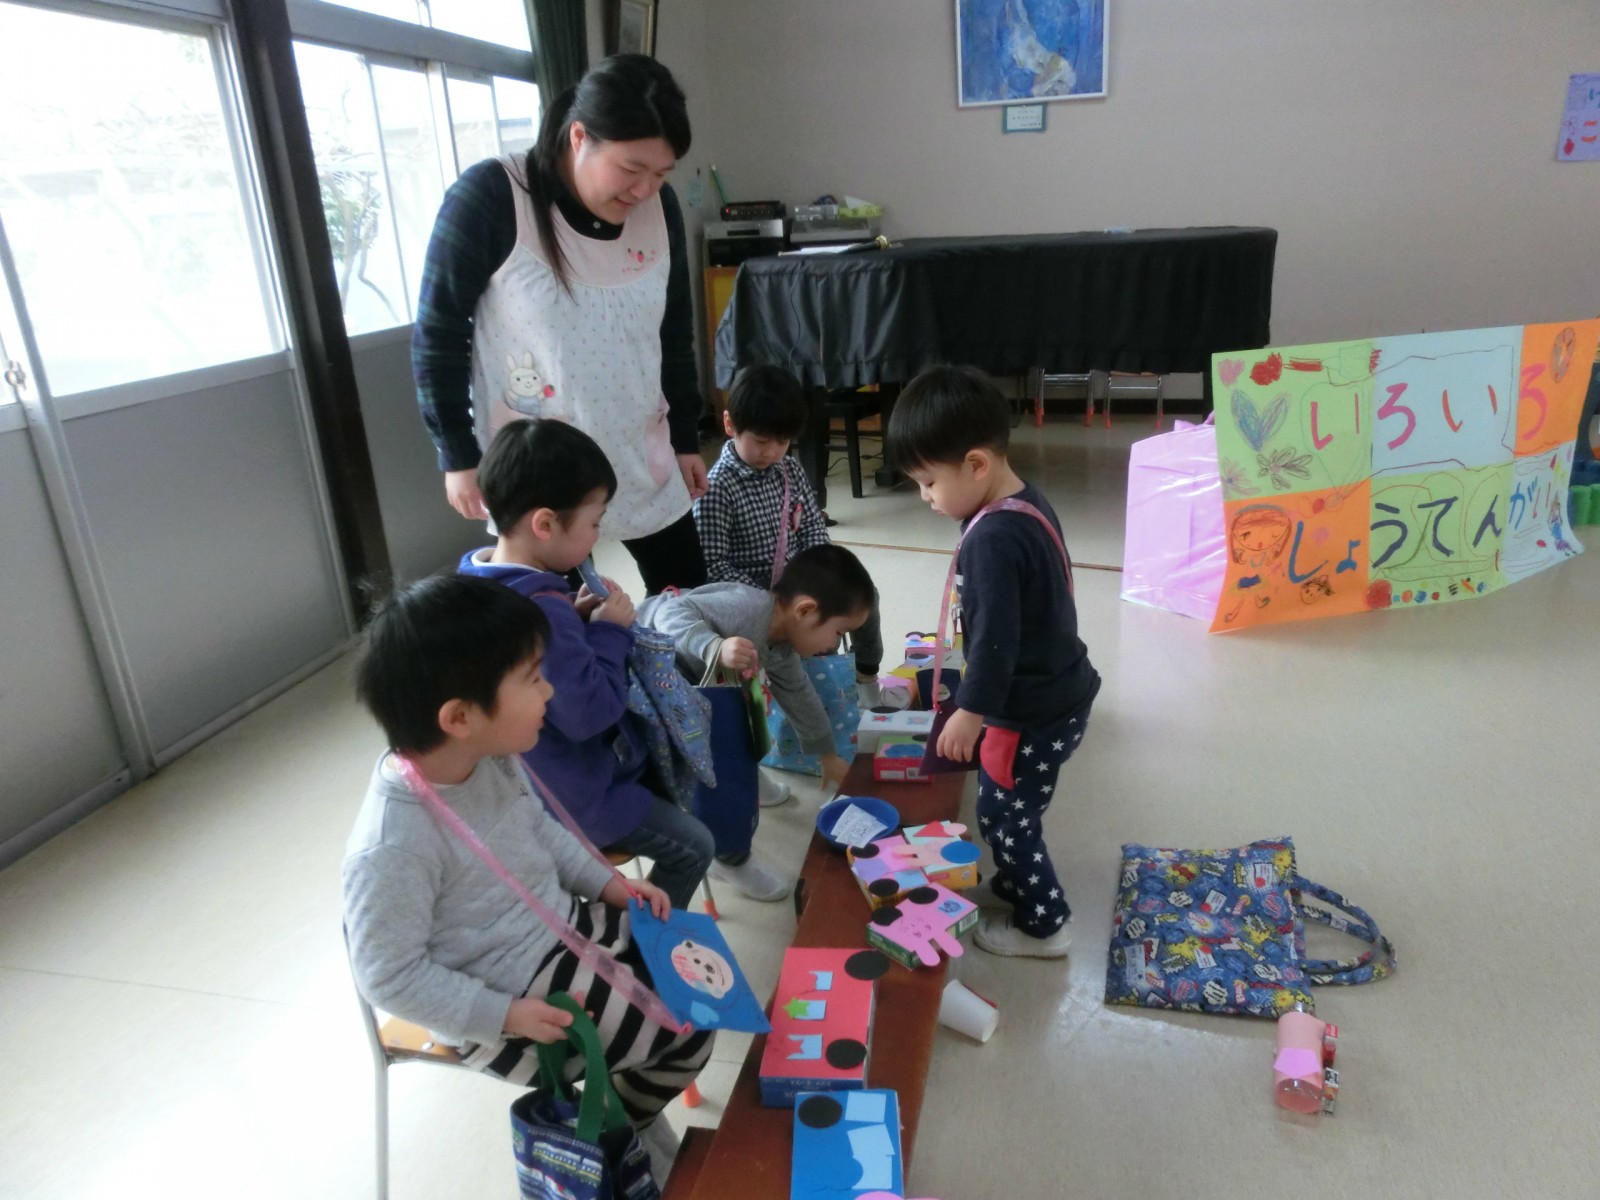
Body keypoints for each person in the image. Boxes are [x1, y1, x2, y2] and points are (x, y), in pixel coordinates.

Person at [342, 575, 712, 1179]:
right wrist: (505, 1015)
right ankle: (620, 1136)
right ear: (460, 716)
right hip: (499, 999)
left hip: (561, 928)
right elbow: (388, 975)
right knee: (690, 1033)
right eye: (534, 678)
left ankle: (624, 1116)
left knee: (699, 982)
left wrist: (611, 886)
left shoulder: (488, 757)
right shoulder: (392, 844)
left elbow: (541, 832)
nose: (549, 691)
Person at [412, 54, 708, 593]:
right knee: (555, 619)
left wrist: (686, 437)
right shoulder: (491, 196)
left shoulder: (659, 208)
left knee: (688, 594)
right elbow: (438, 336)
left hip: (641, 446)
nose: (644, 189)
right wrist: (456, 452)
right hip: (540, 465)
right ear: (579, 137)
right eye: (630, 169)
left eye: (661, 173)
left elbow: (673, 332)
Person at [885, 365, 1101, 959]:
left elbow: (996, 644)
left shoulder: (991, 539)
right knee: (1016, 802)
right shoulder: (1024, 501)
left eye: (929, 482)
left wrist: (970, 711)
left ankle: (1045, 925)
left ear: (976, 464)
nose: (925, 498)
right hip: (1061, 692)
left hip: (1027, 711)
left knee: (1005, 816)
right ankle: (1013, 880)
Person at [458, 417, 714, 910]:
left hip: (522, 787)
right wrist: (608, 632)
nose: (597, 536)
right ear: (545, 524)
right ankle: (642, 941)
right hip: (571, 797)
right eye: (594, 523)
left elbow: (542, 663)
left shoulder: (478, 582)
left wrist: (577, 623)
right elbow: (589, 714)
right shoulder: (544, 612)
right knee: (695, 845)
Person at [635, 544, 875, 901]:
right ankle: (729, 857)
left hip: (696, 686)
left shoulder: (782, 644)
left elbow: (798, 694)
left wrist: (827, 754)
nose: (834, 645)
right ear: (805, 610)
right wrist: (713, 647)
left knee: (741, 721)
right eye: (839, 633)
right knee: (723, 762)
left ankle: (749, 778)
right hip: (653, 676)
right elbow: (669, 612)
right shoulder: (747, 607)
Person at [695, 364, 884, 704]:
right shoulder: (716, 488)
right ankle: (823, 692)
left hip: (799, 586)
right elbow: (713, 567)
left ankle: (866, 676)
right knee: (816, 630)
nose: (771, 452)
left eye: (782, 441)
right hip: (755, 602)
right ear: (730, 425)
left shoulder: (790, 470)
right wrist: (772, 600)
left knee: (863, 597)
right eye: (761, 441)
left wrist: (825, 580)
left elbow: (812, 531)